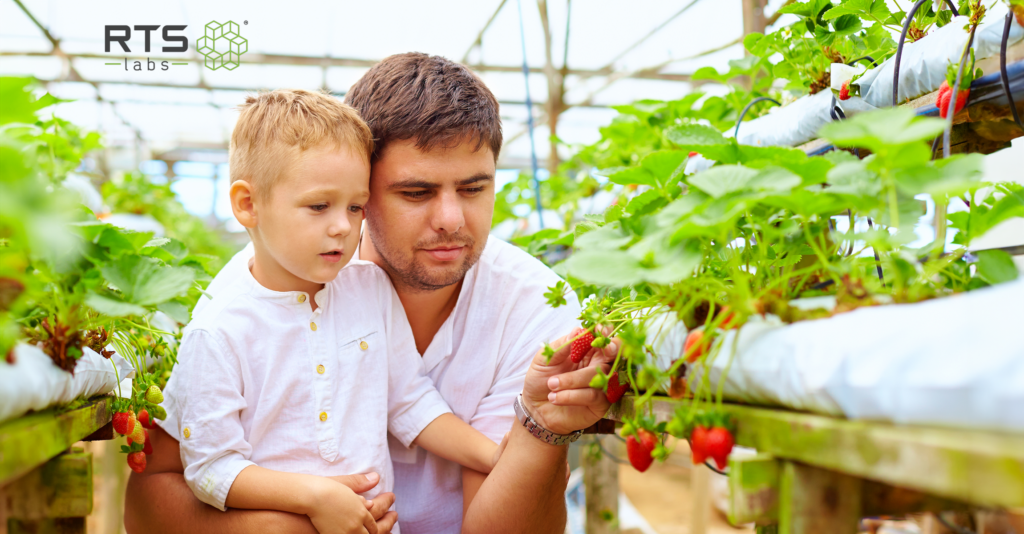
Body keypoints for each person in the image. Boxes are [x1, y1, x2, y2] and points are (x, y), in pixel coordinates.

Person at [124, 53, 617, 534]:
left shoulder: (531, 304)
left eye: (472, 189)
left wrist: (534, 431)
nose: (451, 219)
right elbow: (156, 496)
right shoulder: (244, 298)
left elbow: (423, 419)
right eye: (415, 192)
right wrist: (299, 520)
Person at [162, 89, 506, 533]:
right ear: (248, 205)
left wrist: (495, 457)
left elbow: (409, 400)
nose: (343, 225)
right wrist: (316, 498)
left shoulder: (370, 290)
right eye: (319, 206)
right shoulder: (219, 331)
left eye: (356, 206)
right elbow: (210, 468)